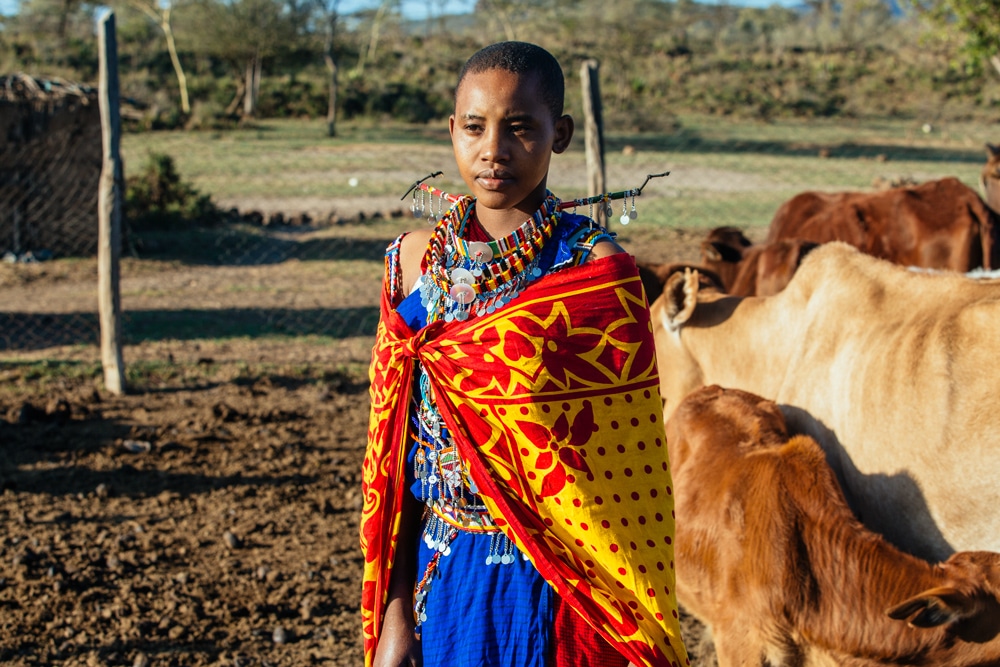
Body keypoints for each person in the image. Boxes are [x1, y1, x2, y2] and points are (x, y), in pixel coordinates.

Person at [361, 41, 689, 667]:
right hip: (439, 577)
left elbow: (626, 472)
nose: (493, 150)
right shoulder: (412, 266)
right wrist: (395, 617)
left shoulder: (596, 274)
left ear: (558, 134)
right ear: (451, 130)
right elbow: (394, 458)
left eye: (519, 129)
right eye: (475, 127)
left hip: (560, 588)